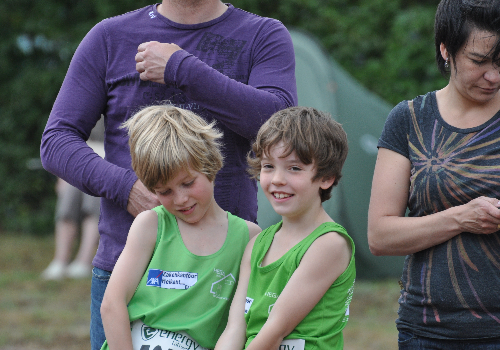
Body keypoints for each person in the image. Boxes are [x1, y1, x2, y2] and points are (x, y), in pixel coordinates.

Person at [40, 1, 297, 348]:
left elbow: (281, 128)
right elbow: (56, 141)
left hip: (227, 272)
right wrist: (126, 187)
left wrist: (182, 69)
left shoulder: (262, 34)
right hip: (128, 270)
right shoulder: (109, 37)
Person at [367, 0, 500, 348]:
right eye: (479, 61)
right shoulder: (410, 119)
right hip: (425, 332)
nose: (494, 76)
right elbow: (380, 236)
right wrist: (462, 218)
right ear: (446, 50)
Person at [99, 105, 261, 350]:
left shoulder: (249, 236)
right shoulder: (151, 224)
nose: (181, 199)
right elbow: (112, 304)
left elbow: (242, 324)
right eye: (165, 191)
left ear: (210, 165)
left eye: (187, 183)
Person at [215, 107, 356, 350]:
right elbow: (235, 328)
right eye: (268, 166)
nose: (278, 179)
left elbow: (274, 331)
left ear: (327, 177)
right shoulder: (257, 244)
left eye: (294, 168)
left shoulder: (329, 244)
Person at [41, 120, 105, 280]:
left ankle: (84, 260)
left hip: (108, 162)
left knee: (93, 204)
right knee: (67, 202)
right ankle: (60, 261)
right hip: (80, 160)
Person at [40, 178, 100, 280]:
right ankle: (60, 261)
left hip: (107, 171)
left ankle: (84, 261)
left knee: (93, 199)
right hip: (81, 170)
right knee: (68, 192)